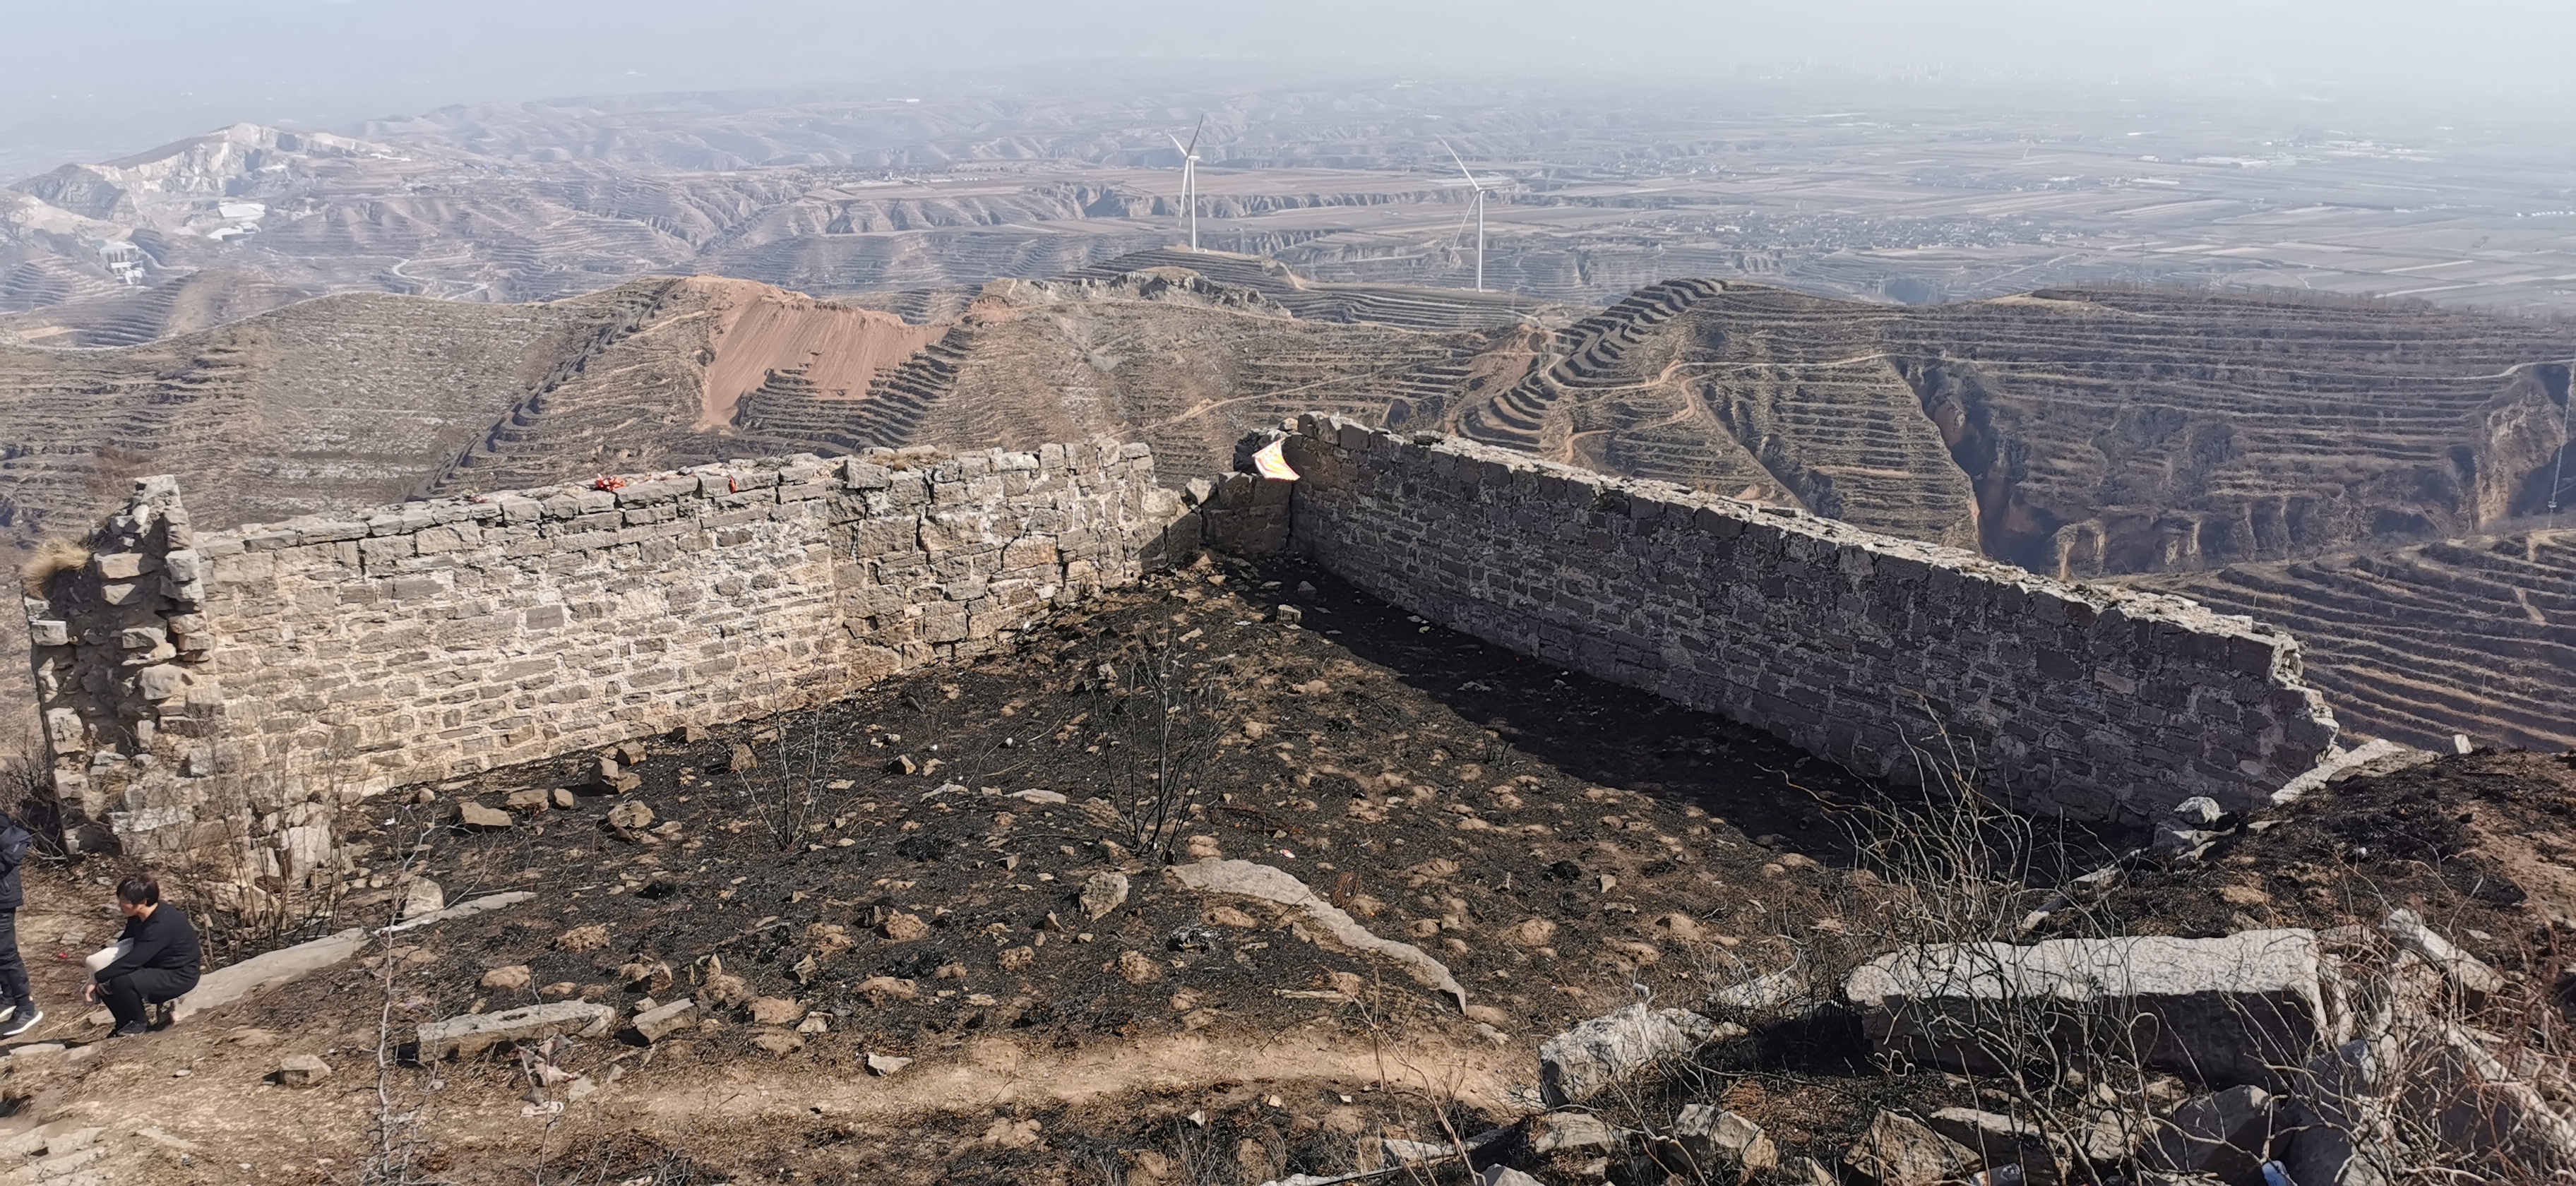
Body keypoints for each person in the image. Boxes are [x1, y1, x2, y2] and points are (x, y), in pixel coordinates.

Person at [85, 873, 198, 1037]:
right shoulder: (138, 917)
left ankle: (139, 1023)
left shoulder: (161, 924)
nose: (120, 905)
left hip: (178, 974)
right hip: (155, 966)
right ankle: (124, 1025)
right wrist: (99, 974)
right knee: (107, 981)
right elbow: (125, 943)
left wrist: (97, 977)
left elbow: (134, 960)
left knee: (120, 981)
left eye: (125, 901)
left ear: (143, 902)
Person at [0, 812, 37, 1038]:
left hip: (3, 899)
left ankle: (26, 1007)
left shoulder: (4, 827)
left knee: (6, 952)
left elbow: (18, 839)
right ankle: (7, 998)